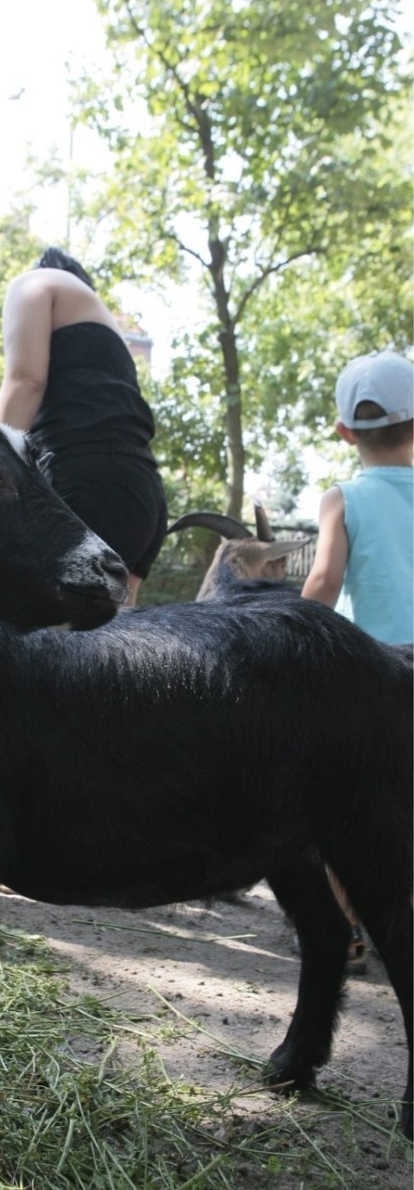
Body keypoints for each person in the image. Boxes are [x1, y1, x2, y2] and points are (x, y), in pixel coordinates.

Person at [301, 349, 413, 973]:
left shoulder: (341, 497)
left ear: (344, 432)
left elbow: (323, 580)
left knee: (344, 810)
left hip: (369, 675)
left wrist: (283, 630)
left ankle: (345, 930)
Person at [0, 247, 167, 605]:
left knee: (32, 637)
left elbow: (26, 380)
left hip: (84, 480)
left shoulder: (35, 282)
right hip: (142, 493)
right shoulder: (106, 330)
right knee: (112, 646)